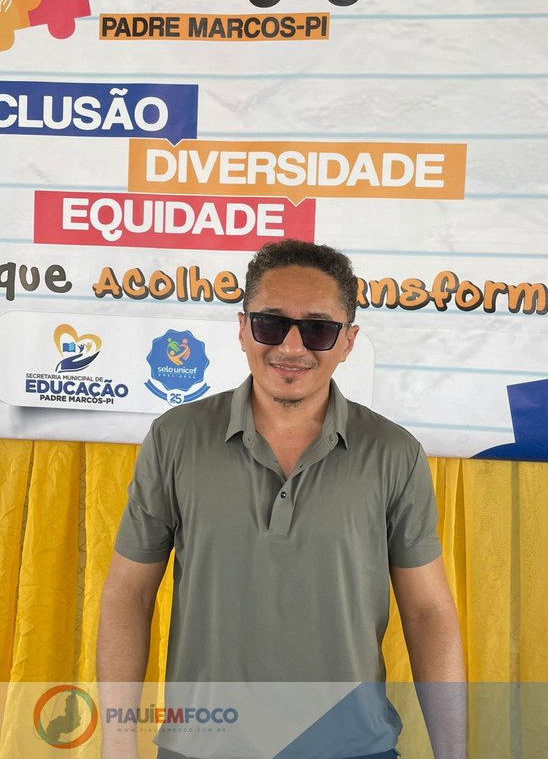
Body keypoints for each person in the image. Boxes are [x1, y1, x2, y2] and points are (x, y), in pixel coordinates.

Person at [97, 239, 466, 759]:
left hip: (353, 748)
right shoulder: (175, 438)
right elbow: (128, 594)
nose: (292, 347)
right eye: (271, 323)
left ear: (348, 341)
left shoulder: (393, 453)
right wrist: (117, 745)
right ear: (243, 328)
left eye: (318, 328)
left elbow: (428, 613)